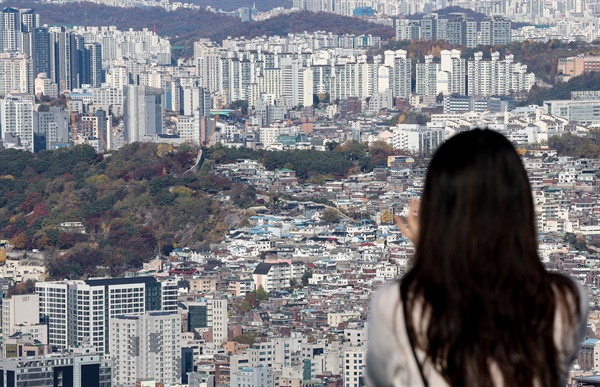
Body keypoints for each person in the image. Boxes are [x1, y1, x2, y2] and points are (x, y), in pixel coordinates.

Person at [366, 129, 588, 387]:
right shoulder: (565, 301)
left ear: (437, 207)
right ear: (520, 205)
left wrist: (427, 250)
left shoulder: (396, 307)